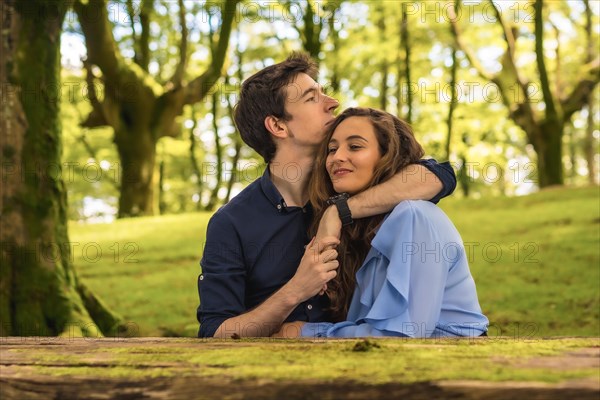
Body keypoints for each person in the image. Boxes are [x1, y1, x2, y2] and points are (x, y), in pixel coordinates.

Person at [197, 53, 457, 338]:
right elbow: (215, 332)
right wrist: (296, 290)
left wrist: (338, 211)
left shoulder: (360, 185)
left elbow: (438, 176)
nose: (332, 102)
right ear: (278, 126)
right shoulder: (232, 223)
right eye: (312, 98)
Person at [283, 107, 487, 338]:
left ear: (387, 155)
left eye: (355, 146)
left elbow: (403, 336)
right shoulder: (358, 230)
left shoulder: (413, 216)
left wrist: (305, 331)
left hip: (455, 362)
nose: (337, 157)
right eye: (332, 149)